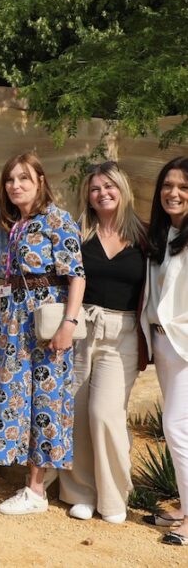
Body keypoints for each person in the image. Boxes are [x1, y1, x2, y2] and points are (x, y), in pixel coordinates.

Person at [0, 152, 85, 516]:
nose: (15, 185)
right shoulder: (14, 223)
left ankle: (35, 491)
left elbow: (76, 275)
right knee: (18, 396)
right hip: (14, 323)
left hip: (45, 321)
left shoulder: (57, 219)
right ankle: (35, 479)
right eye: (10, 180)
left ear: (40, 182)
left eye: (24, 179)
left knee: (45, 400)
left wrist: (69, 324)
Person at [58, 162, 146, 523]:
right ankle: (80, 492)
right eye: (95, 188)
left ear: (123, 190)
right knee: (77, 413)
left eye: (109, 186)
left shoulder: (144, 236)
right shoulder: (78, 232)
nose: (102, 193)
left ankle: (113, 497)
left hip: (121, 332)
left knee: (105, 414)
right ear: (87, 196)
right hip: (82, 326)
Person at [141, 156, 188, 545]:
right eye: (168, 186)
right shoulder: (163, 235)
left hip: (186, 345)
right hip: (162, 342)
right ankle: (183, 508)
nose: (174, 193)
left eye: (184, 188)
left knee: (175, 427)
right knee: (180, 430)